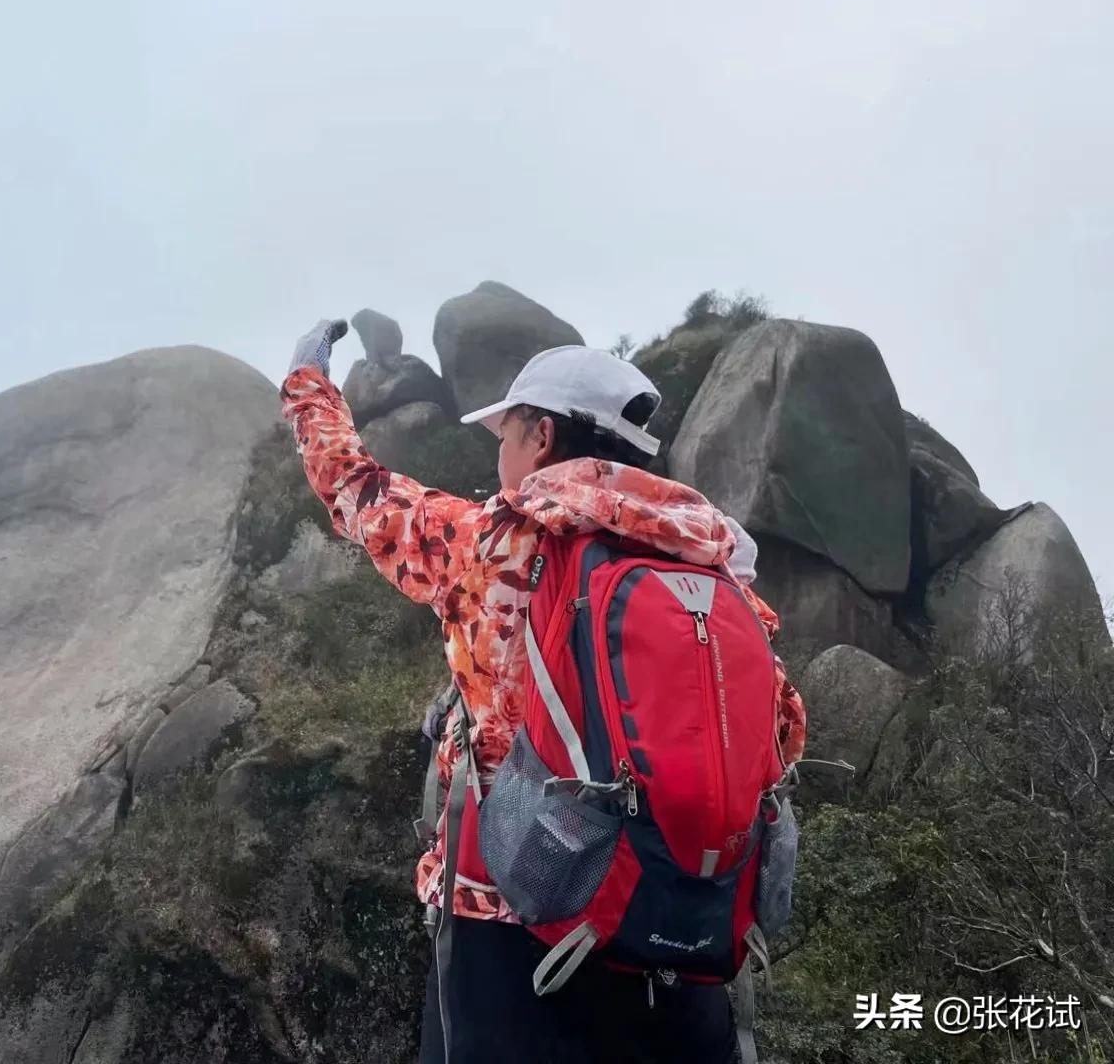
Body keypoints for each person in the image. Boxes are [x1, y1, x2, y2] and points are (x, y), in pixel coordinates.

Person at [282, 319, 806, 1064]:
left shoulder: (493, 543)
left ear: (543, 436)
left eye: (507, 433)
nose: (499, 453)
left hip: (514, 932)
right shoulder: (717, 568)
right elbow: (784, 731)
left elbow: (356, 489)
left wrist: (308, 388)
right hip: (678, 926)